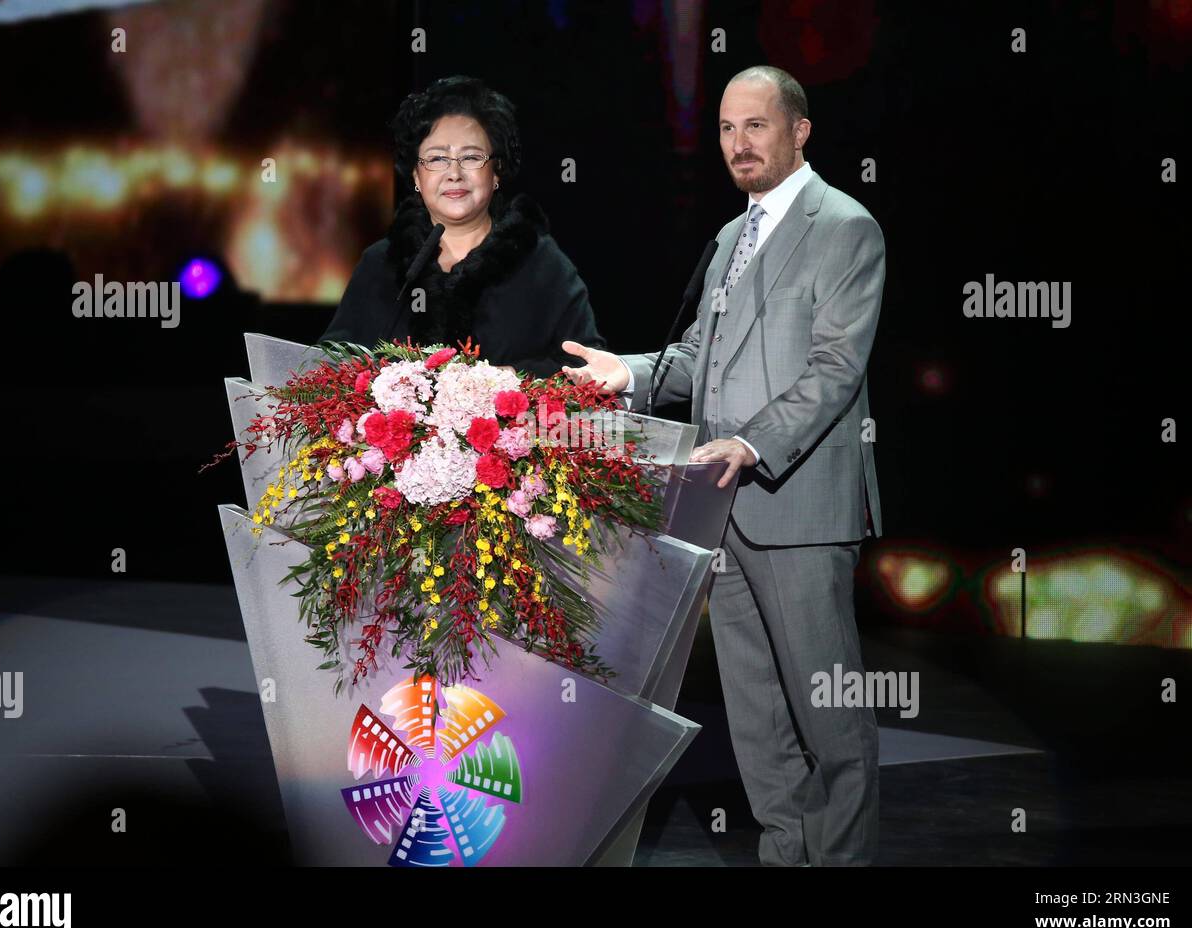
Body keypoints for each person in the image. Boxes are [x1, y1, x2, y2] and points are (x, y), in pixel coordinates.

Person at [561, 66, 885, 866]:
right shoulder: (731, 238)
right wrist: (628, 373)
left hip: (797, 505)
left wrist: (751, 442)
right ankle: (787, 854)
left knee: (826, 710)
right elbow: (701, 358)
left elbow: (835, 368)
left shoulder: (844, 226)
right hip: (720, 509)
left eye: (757, 126)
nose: (739, 144)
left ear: (800, 130)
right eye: (727, 129)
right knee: (756, 713)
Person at [320, 75, 606, 377]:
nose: (454, 173)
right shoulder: (380, 263)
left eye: (471, 157)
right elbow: (331, 363)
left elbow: (588, 368)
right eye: (437, 158)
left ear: (496, 172)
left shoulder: (545, 267)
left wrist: (505, 381)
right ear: (416, 177)